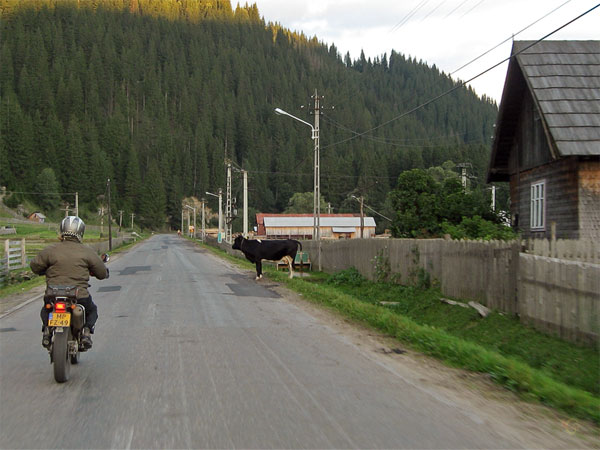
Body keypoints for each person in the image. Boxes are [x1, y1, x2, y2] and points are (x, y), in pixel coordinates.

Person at [30, 216, 109, 350]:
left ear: (62, 230)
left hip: (53, 294)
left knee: (46, 308)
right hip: (79, 296)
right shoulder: (87, 251)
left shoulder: (51, 250)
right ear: (81, 232)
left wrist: (45, 270)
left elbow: (35, 266)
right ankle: (86, 332)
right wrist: (103, 272)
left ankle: (47, 331)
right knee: (92, 310)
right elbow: (101, 273)